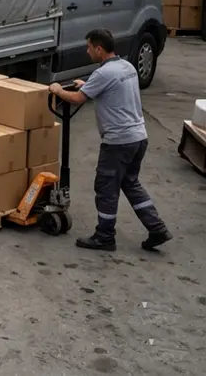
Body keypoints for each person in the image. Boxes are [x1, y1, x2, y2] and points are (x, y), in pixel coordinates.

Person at [49, 29, 171, 252]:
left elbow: (77, 99)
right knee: (130, 183)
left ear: (99, 48)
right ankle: (157, 228)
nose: (87, 52)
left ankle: (104, 236)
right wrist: (86, 85)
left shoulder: (103, 73)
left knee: (106, 188)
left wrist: (57, 90)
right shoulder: (127, 66)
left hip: (118, 142)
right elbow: (110, 89)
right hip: (138, 138)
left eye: (89, 47)